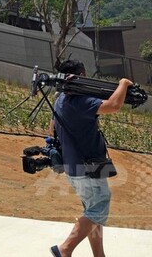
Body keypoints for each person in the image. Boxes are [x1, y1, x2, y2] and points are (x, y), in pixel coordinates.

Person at [50, 59, 132, 257]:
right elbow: (113, 105)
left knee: (93, 211)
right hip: (87, 166)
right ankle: (65, 249)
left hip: (75, 165)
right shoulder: (80, 102)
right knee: (98, 209)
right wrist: (123, 84)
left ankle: (99, 255)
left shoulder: (61, 100)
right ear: (79, 77)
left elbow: (51, 128)